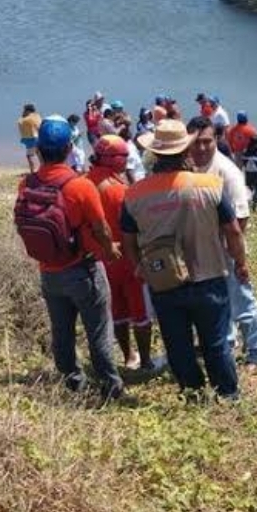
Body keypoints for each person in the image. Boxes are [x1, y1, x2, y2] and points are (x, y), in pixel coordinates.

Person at [121, 119, 248, 401]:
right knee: (215, 342)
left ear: (155, 154)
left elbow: (127, 239)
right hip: (209, 277)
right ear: (185, 150)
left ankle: (192, 393)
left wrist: (139, 267)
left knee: (178, 345)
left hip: (163, 281)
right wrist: (240, 262)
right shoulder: (210, 185)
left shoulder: (134, 194)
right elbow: (233, 230)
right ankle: (227, 395)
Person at [13, 116, 124, 400]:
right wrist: (110, 250)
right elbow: (101, 228)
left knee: (61, 331)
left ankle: (73, 381)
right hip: (82, 269)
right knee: (98, 329)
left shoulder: (26, 184)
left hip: (49, 272)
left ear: (38, 150)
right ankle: (110, 386)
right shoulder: (80, 186)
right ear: (69, 148)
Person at [187, 117, 257, 370]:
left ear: (216, 140)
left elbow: (240, 220)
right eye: (195, 142)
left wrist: (236, 258)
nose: (201, 148)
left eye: (207, 142)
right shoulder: (190, 167)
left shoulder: (226, 171)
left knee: (242, 299)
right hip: (202, 250)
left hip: (226, 249)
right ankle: (228, 341)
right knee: (215, 301)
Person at [86, 135, 161, 372]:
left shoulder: (85, 183)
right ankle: (146, 361)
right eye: (124, 156)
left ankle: (128, 356)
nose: (127, 160)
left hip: (99, 260)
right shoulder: (119, 191)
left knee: (117, 311)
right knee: (140, 312)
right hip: (125, 259)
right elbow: (134, 228)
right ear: (113, 160)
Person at [17, 103, 42, 173]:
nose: (23, 111)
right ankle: (42, 169)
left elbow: (19, 122)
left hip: (31, 139)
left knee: (29, 156)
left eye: (24, 110)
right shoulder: (37, 116)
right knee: (39, 154)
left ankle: (32, 171)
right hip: (38, 138)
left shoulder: (26, 119)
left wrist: (22, 116)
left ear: (28, 110)